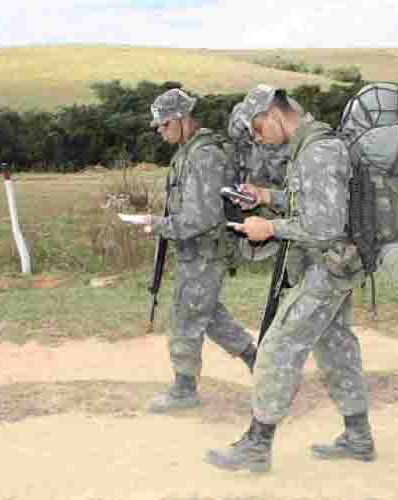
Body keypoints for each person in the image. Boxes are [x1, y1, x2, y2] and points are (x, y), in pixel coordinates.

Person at [205, 84, 376, 473]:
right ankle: (359, 436)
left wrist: (270, 229)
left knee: (278, 346)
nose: (256, 137)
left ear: (275, 114)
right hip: (337, 263)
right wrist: (265, 196)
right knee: (336, 347)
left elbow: (325, 226)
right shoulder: (311, 146)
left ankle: (256, 444)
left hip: (328, 265)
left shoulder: (317, 151)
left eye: (257, 128)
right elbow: (311, 202)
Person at [143, 88, 258, 413]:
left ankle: (184, 390)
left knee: (186, 315)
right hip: (196, 250)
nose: (160, 131)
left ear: (181, 118)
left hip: (206, 249)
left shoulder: (204, 155)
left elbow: (203, 216)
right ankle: (257, 360)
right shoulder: (188, 151)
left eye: (164, 125)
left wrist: (160, 224)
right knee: (206, 313)